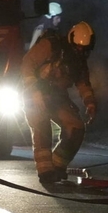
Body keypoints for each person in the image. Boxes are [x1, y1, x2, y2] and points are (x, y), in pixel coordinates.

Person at [21, 21, 97, 184]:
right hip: (35, 93)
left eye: (84, 49)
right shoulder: (51, 46)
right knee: (42, 127)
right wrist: (34, 92)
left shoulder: (79, 59)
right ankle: (46, 172)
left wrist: (89, 102)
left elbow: (83, 83)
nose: (80, 51)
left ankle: (57, 166)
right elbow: (27, 64)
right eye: (78, 47)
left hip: (56, 96)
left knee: (76, 128)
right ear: (71, 40)